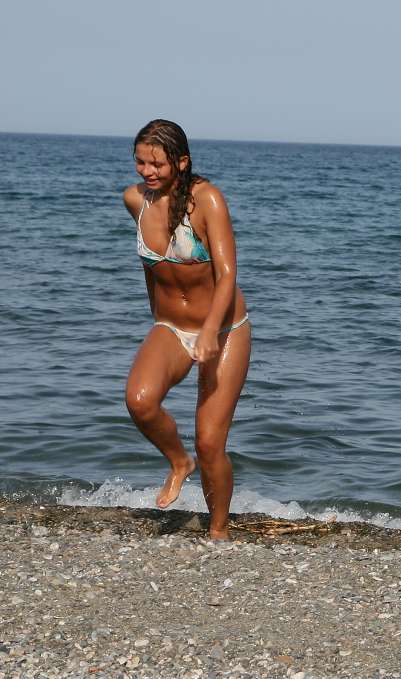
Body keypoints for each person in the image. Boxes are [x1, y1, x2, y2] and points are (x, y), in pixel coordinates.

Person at [123, 119, 250, 540]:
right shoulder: (134, 200)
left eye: (157, 164)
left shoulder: (207, 199)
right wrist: (155, 315)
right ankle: (179, 462)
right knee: (140, 401)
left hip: (225, 327)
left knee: (210, 442)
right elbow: (151, 269)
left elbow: (227, 275)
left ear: (181, 162)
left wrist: (211, 331)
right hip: (171, 326)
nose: (147, 171)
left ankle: (218, 530)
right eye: (140, 162)